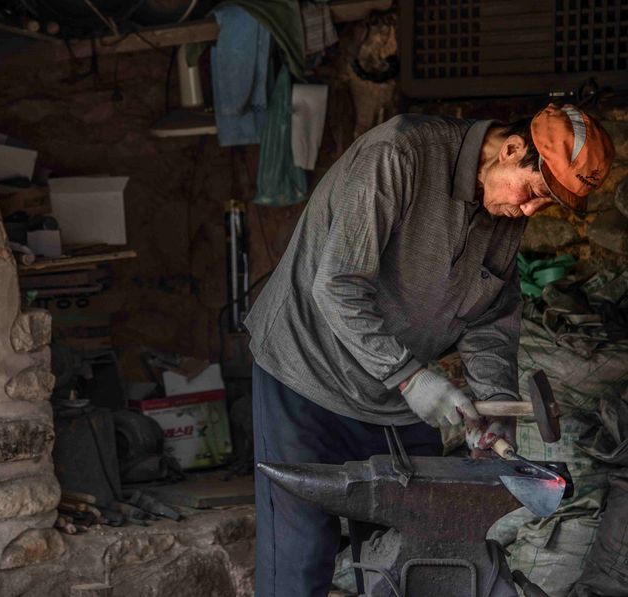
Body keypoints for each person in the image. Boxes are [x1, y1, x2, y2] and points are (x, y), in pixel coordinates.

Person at [244, 104, 614, 597]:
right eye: (533, 192)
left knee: (420, 550)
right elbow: (336, 286)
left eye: (544, 205)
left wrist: (496, 405)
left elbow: (488, 317)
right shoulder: (398, 155)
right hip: (308, 373)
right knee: (302, 552)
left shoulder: (503, 209)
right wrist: (410, 377)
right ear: (511, 149)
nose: (529, 211)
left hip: (394, 396)